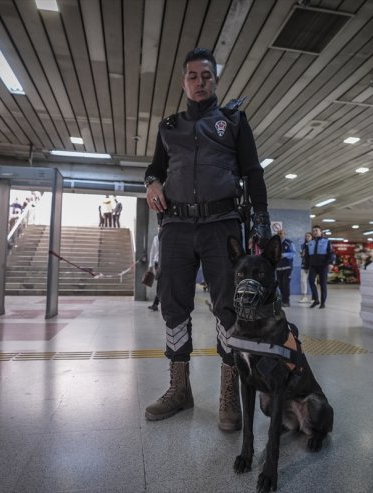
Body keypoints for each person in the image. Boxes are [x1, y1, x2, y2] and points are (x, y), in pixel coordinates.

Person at [142, 47, 271, 430]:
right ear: (183, 82)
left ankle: (229, 394)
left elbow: (252, 171)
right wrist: (151, 183)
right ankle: (179, 389)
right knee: (173, 305)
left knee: (227, 309)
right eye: (193, 77)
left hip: (223, 227)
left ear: (215, 80)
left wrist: (261, 219)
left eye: (207, 76)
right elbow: (155, 168)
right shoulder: (168, 126)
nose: (200, 83)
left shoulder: (232, 121)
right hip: (176, 227)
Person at [306, 225, 334, 309]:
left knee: (323, 285)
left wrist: (331, 263)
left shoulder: (326, 241)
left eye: (316, 230)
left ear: (320, 232)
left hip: (323, 265)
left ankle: (323, 303)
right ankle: (316, 300)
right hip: (313, 266)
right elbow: (307, 256)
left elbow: (331, 253)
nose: (315, 232)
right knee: (311, 281)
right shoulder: (310, 242)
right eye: (313, 231)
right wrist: (306, 266)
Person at [275, 228, 295, 307]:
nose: (280, 235)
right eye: (279, 233)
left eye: (281, 233)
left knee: (285, 284)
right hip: (278, 268)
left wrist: (284, 255)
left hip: (287, 267)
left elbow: (293, 253)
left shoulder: (289, 242)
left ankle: (287, 301)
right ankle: (283, 300)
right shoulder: (275, 244)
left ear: (284, 234)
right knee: (280, 285)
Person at [147, 227, 161, 311]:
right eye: (158, 228)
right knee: (160, 283)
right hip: (157, 263)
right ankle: (155, 304)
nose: (159, 229)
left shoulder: (168, 238)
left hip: (166, 263)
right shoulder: (155, 238)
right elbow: (152, 251)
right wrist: (150, 265)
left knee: (161, 284)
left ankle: (155, 304)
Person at [299, 231, 312, 303]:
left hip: (312, 266)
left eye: (309, 236)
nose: (307, 237)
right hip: (304, 265)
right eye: (306, 236)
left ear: (311, 237)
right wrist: (302, 254)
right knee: (303, 281)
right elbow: (301, 255)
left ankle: (314, 297)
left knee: (313, 282)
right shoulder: (302, 245)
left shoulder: (314, 245)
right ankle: (304, 296)